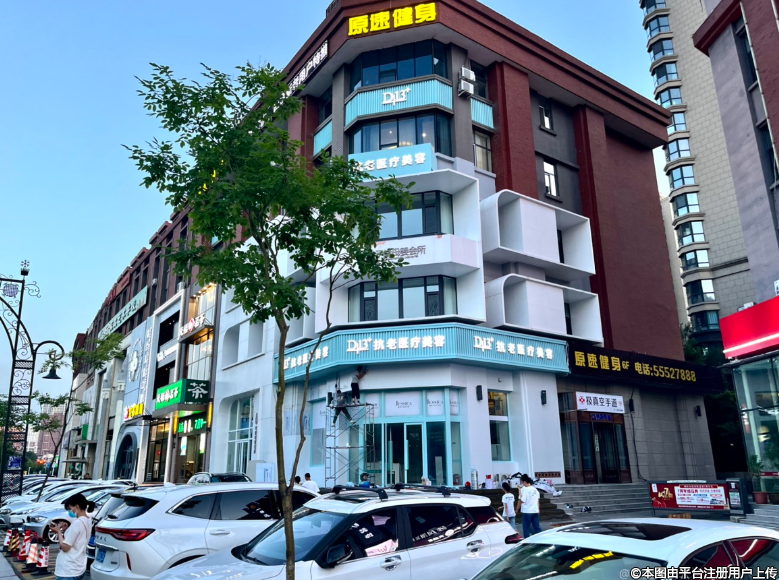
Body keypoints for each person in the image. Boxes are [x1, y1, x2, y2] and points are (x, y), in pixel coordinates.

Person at [51, 492, 94, 580]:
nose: (70, 512)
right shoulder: (88, 520)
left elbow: (65, 547)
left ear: (77, 507)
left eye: (70, 509)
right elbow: (78, 539)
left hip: (68, 570)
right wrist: (66, 530)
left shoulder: (77, 523)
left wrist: (58, 532)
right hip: (79, 566)